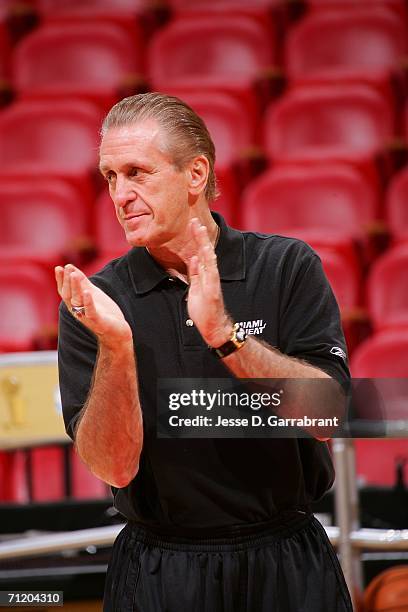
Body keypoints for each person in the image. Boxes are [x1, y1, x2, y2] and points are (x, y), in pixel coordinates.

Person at [56, 92, 353, 611]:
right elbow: (114, 468)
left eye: (136, 173)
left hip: (284, 562)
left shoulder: (285, 267)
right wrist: (118, 349)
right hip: (159, 570)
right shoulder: (98, 303)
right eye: (110, 177)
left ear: (195, 174)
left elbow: (326, 415)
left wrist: (225, 335)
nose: (119, 195)